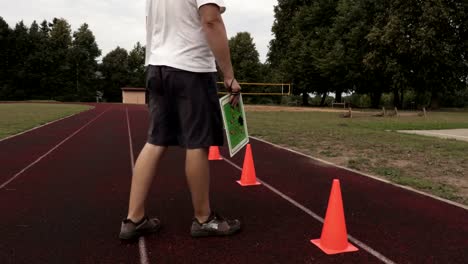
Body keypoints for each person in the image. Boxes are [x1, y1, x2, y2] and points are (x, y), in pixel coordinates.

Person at [119, 0, 242, 240]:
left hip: (157, 67)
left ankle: (133, 219)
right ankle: (204, 218)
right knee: (198, 142)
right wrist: (228, 75)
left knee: (155, 141)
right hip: (191, 68)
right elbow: (211, 20)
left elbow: (150, 24)